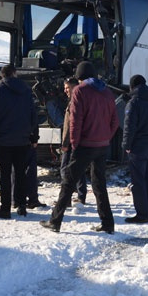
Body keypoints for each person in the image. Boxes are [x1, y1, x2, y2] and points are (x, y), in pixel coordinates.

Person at [40, 61, 118, 234]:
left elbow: (76, 121)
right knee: (99, 185)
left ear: (79, 77)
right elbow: (115, 121)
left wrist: (74, 144)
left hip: (84, 145)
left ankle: (55, 221)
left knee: (68, 181)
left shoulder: (80, 91)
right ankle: (108, 223)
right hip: (102, 145)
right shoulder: (107, 92)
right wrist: (105, 137)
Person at [0, 65, 37, 218]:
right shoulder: (26, 90)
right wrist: (31, 135)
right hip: (22, 140)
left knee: (5, 175)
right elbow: (33, 115)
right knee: (20, 173)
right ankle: (21, 205)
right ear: (15, 74)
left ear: (2, 75)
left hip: (3, 141)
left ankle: (5, 208)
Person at [122, 75, 148, 223]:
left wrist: (126, 146)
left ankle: (142, 214)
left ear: (132, 86)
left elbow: (129, 127)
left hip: (138, 148)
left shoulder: (134, 103)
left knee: (138, 181)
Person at [60, 77, 87, 205]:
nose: (65, 91)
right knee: (78, 169)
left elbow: (71, 124)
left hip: (71, 141)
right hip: (78, 141)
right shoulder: (80, 101)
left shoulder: (74, 103)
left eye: (67, 88)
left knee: (65, 169)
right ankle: (81, 195)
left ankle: (67, 198)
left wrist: (65, 144)